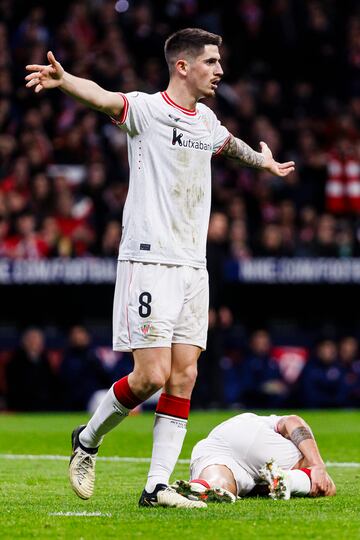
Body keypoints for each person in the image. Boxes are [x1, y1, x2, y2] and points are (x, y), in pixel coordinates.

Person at [25, 28, 295, 509]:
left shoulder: (207, 120)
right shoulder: (148, 111)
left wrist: (265, 164)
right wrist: (65, 82)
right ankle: (86, 440)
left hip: (194, 266)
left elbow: (230, 146)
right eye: (211, 62)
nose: (220, 70)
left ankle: (156, 486)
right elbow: (105, 99)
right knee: (149, 376)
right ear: (183, 66)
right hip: (149, 259)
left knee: (185, 375)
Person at [173, 412, 336, 502]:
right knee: (326, 484)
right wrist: (317, 465)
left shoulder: (253, 420)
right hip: (255, 439)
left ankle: (199, 487)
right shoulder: (273, 423)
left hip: (212, 445)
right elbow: (293, 420)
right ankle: (287, 479)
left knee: (219, 485)